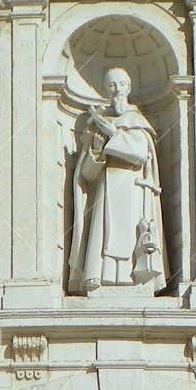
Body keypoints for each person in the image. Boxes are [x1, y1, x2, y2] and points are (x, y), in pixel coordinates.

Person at [68, 67, 165, 294]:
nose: (117, 89)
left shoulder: (137, 121)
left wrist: (113, 134)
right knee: (103, 231)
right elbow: (86, 175)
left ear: (129, 87)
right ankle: (99, 275)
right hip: (105, 188)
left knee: (129, 233)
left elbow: (140, 153)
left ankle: (135, 278)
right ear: (106, 89)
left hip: (132, 187)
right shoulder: (98, 122)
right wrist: (97, 151)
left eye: (121, 84)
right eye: (111, 85)